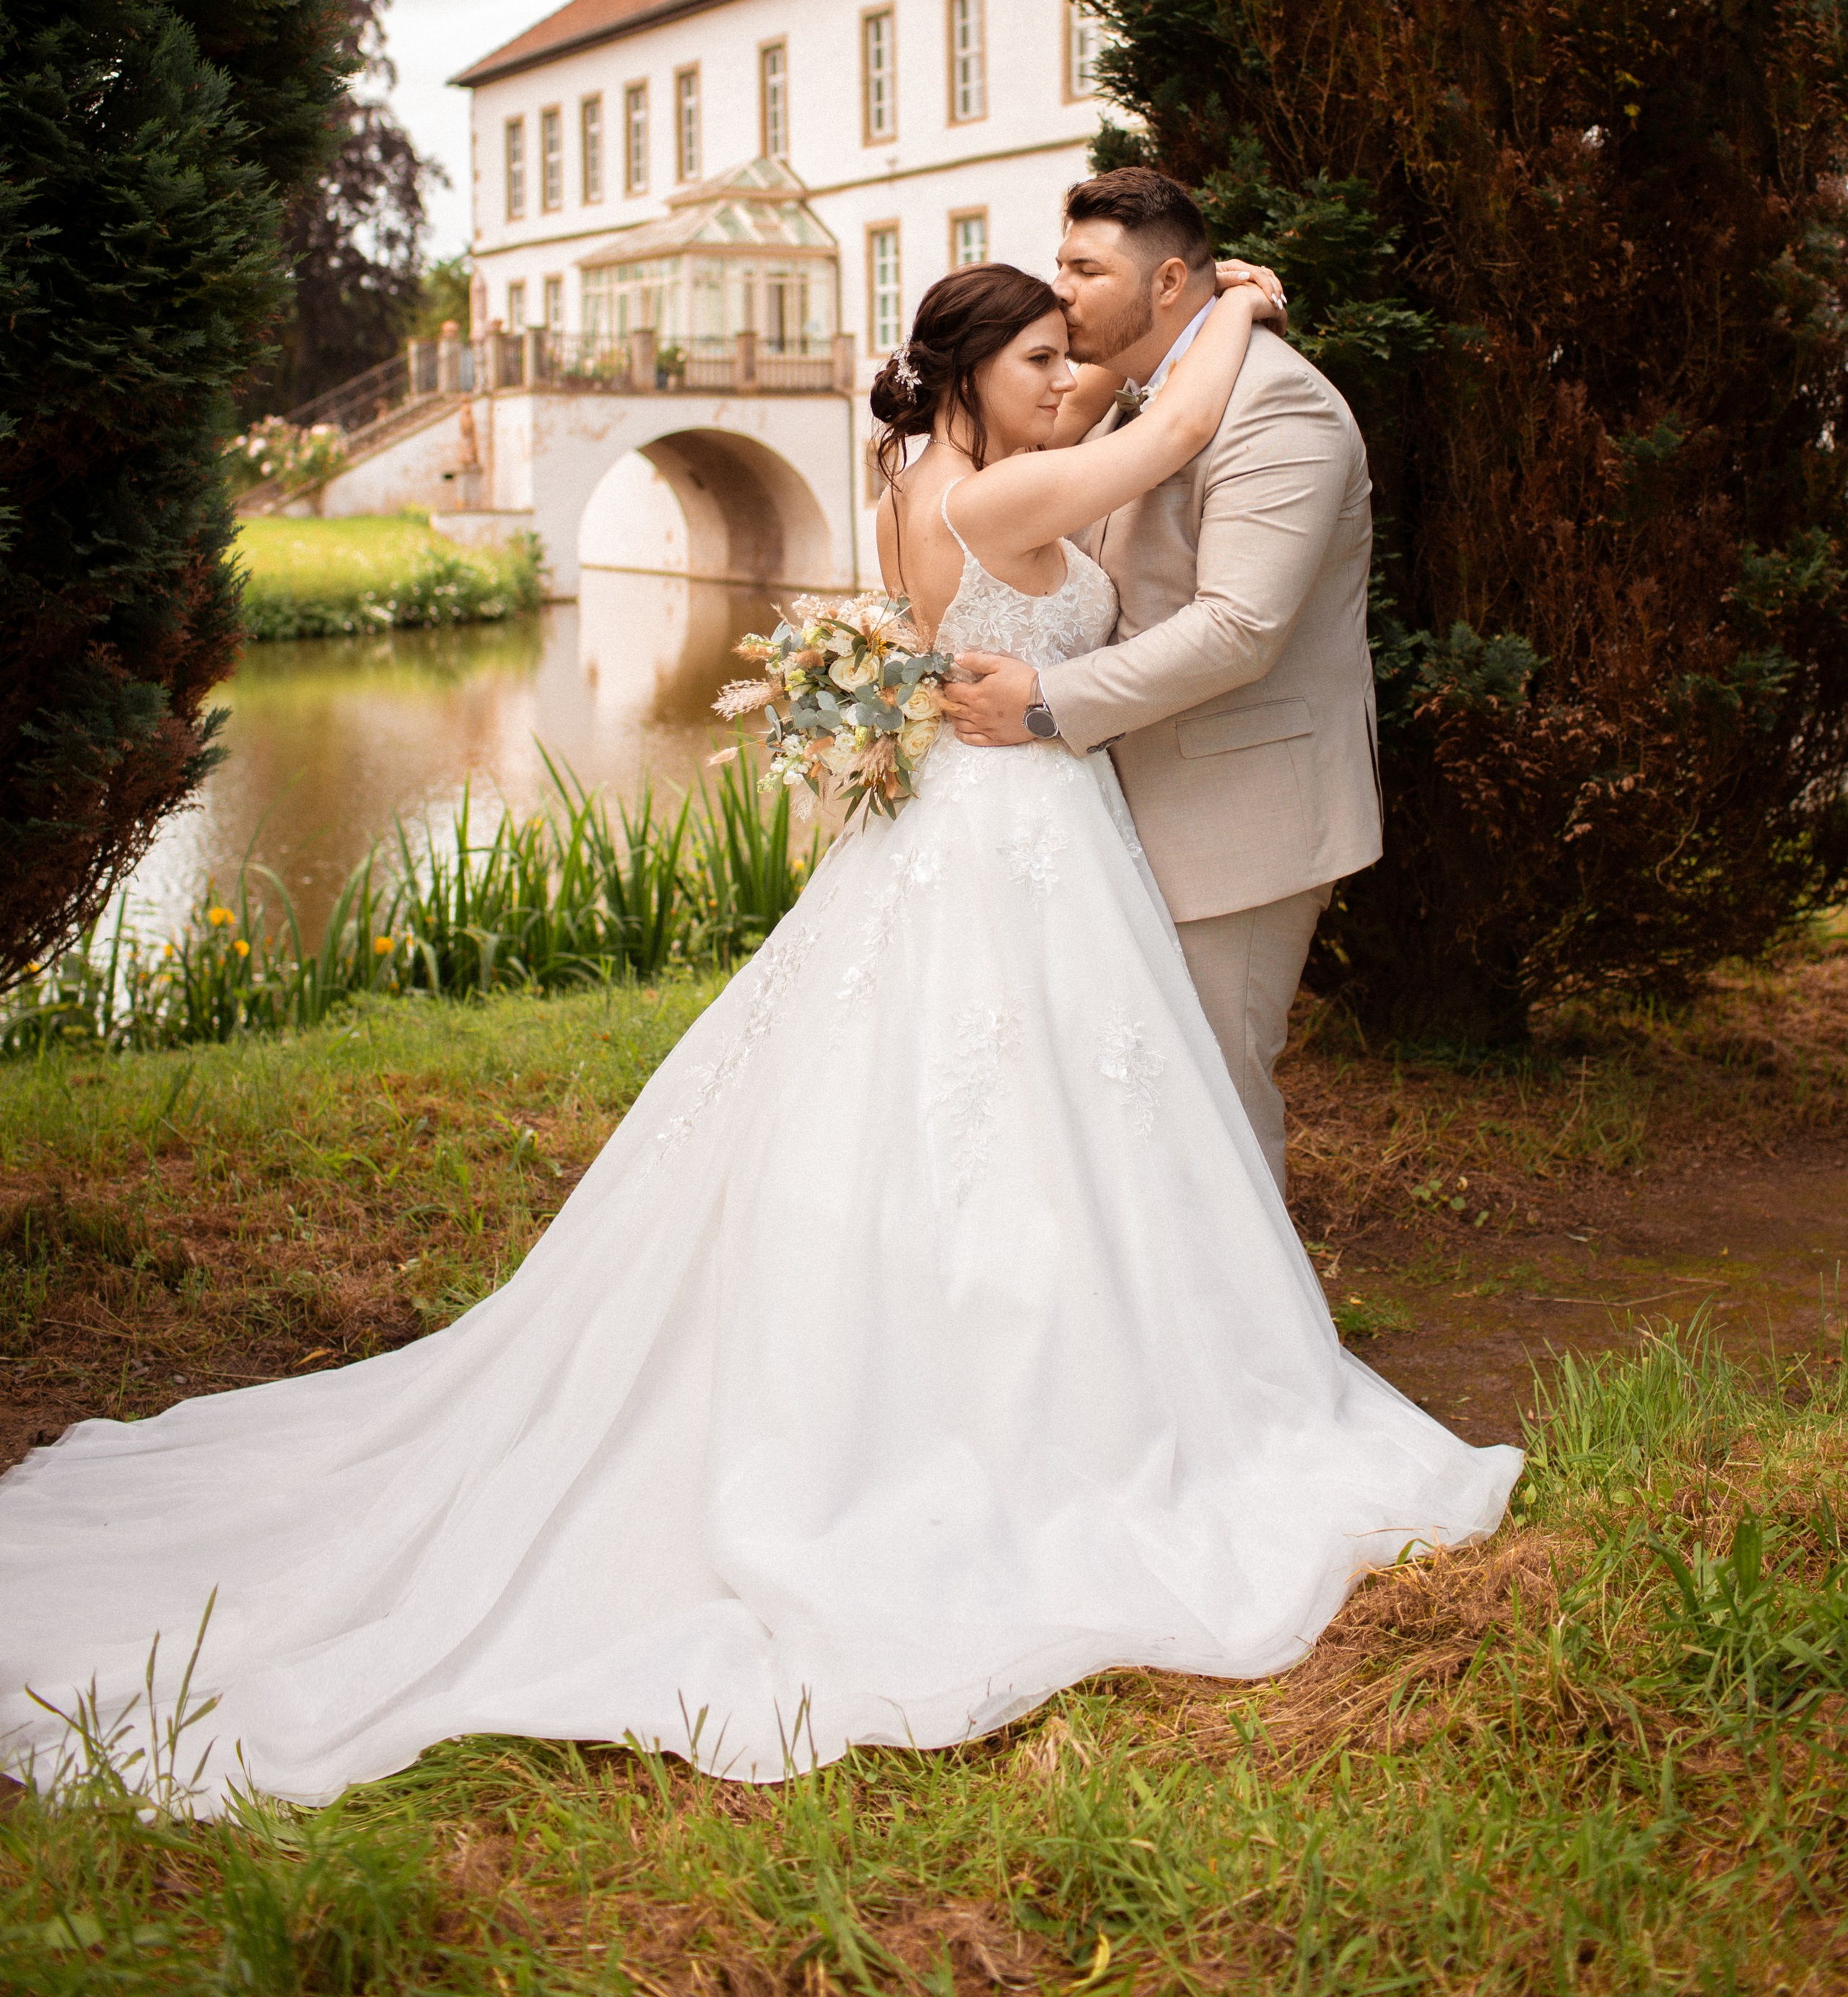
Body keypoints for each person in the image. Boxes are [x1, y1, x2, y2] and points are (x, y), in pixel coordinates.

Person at [0, 263, 1517, 1814]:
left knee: (988, 1101)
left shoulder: (910, 480)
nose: (1071, 378)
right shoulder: (1004, 501)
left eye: (1076, 353)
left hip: (973, 821)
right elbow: (1172, 423)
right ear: (974, 370)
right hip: (1011, 832)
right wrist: (1242, 309)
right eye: (1046, 357)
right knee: (1013, 1101)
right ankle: (1026, 1403)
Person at [941, 168, 1380, 1194]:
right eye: (1060, 262)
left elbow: (1239, 629)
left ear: (1170, 280)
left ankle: (1256, 1349)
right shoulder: (1133, 403)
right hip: (1127, 807)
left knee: (1216, 1097)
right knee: (1143, 1104)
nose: (1063, 289)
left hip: (1239, 819)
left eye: (1085, 269)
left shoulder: (1279, 410)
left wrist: (1047, 701)